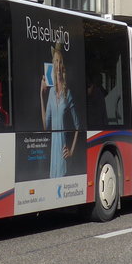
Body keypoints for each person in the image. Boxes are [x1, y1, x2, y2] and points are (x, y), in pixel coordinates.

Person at [40, 42, 80, 177]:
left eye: (60, 61)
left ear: (63, 66)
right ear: (53, 64)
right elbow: (46, 125)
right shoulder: (51, 93)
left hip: (63, 153)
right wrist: (41, 96)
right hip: (53, 153)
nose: (57, 64)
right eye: (55, 61)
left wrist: (72, 151)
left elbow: (77, 126)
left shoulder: (68, 94)